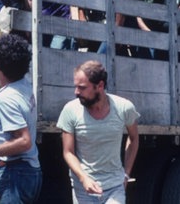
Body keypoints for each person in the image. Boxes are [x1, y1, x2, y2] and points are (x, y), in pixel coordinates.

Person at [0, 14, 42, 203]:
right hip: (30, 170)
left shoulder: (6, 98)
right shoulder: (25, 82)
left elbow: (24, 141)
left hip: (15, 172)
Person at [56, 61, 140, 203]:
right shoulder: (70, 110)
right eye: (76, 86)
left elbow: (134, 138)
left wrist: (126, 173)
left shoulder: (124, 108)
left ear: (100, 86)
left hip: (114, 187)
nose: (76, 92)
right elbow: (68, 152)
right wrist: (83, 178)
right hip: (83, 189)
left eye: (82, 88)